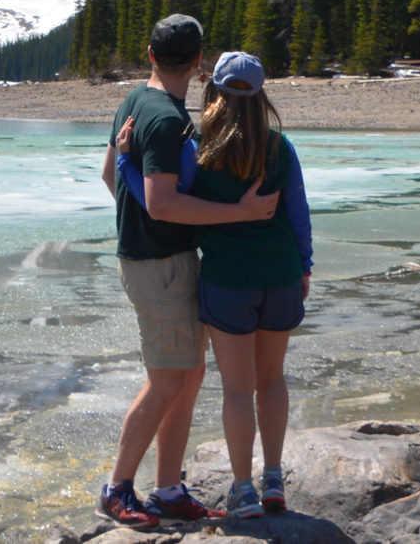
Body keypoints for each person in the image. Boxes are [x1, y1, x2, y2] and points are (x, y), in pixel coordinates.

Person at [97, 16, 278, 528]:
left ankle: (169, 488)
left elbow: (111, 174)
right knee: (166, 380)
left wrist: (143, 220)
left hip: (158, 260)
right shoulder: (166, 120)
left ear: (150, 56)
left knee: (187, 375)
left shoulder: (134, 101)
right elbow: (161, 203)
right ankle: (117, 488)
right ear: (199, 63)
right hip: (160, 268)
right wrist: (239, 214)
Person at [118, 50, 313, 519]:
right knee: (272, 380)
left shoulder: (201, 150)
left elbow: (161, 203)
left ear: (215, 92)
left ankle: (243, 490)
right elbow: (299, 215)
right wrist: (304, 267)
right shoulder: (279, 147)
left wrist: (126, 162)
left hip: (228, 283)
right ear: (261, 94)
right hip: (281, 276)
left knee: (236, 389)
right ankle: (273, 479)